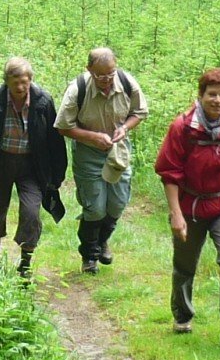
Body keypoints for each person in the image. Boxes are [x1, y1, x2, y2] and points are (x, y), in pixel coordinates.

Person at [154, 67, 220, 346]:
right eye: (212, 94)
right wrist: (176, 214)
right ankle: (183, 314)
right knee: (185, 264)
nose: (218, 100)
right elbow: (169, 172)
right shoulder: (183, 127)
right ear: (200, 96)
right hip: (190, 204)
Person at [0, 57, 68, 279]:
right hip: (0, 163)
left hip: (32, 166)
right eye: (15, 83)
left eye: (24, 82)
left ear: (30, 79)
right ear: (6, 83)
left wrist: (55, 178)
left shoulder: (43, 102)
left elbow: (55, 141)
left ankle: (25, 265)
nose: (21, 87)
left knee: (31, 212)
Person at [55, 47, 150, 273]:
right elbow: (63, 127)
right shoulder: (77, 89)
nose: (106, 80)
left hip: (118, 150)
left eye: (111, 74)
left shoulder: (127, 83)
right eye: (100, 76)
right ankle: (90, 256)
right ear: (89, 70)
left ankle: (102, 240)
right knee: (95, 208)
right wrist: (93, 137)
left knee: (117, 204)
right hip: (88, 153)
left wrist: (125, 128)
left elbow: (140, 112)